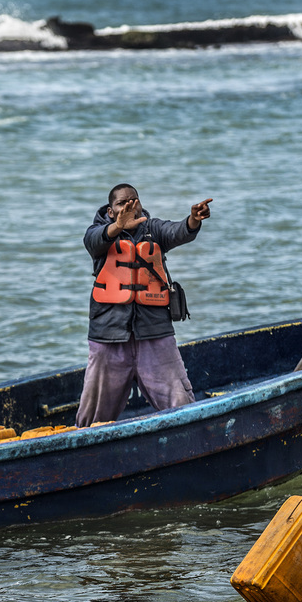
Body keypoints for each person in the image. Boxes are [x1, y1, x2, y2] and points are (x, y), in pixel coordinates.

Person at [74, 183, 213, 427]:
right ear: (110, 211)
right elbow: (93, 242)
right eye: (122, 203)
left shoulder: (153, 229)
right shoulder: (97, 233)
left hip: (155, 333)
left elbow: (178, 231)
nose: (129, 206)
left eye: (134, 201)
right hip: (108, 336)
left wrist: (193, 220)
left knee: (181, 403)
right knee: (92, 417)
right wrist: (118, 227)